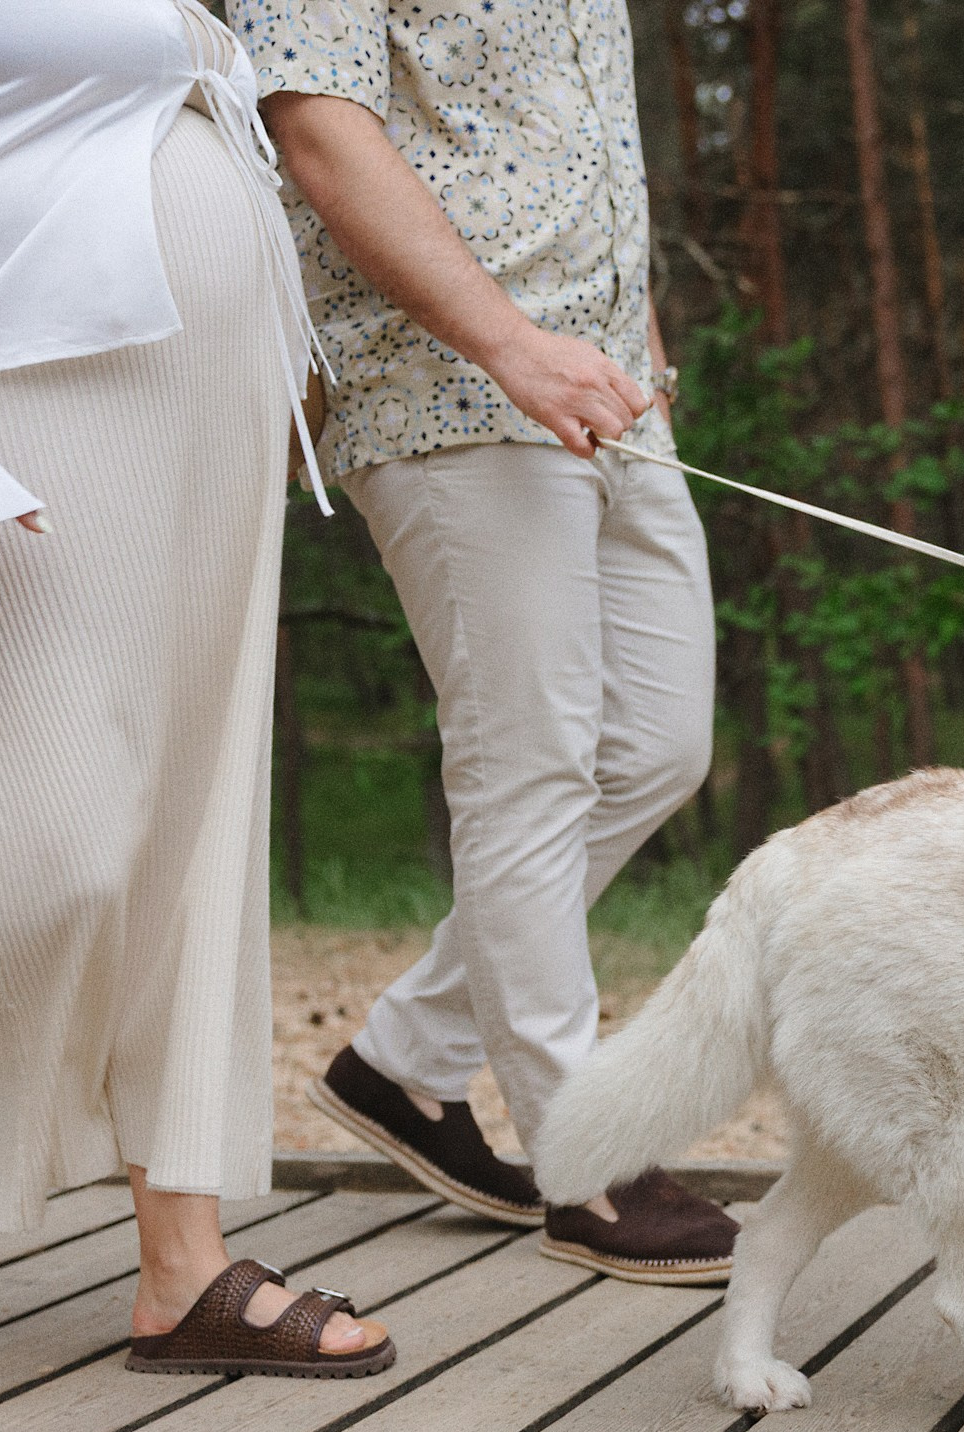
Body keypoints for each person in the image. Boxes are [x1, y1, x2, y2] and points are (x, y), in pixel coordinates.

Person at [235, 0, 738, 1283]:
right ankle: (586, 1153)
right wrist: (514, 347)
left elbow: (595, 159)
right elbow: (319, 130)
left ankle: (404, 1061)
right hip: (444, 382)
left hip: (612, 391)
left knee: (658, 745)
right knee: (533, 762)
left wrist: (642, 365)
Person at [0, 0, 390, 1375]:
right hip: (5, 394)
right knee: (45, 843)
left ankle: (181, 1263)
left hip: (197, 401)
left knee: (188, 829)